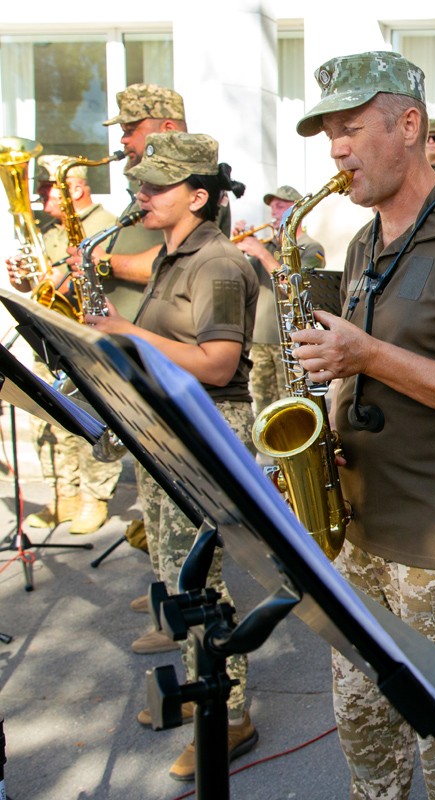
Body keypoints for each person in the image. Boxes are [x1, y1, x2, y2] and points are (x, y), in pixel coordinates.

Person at [289, 51, 435, 800]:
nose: (336, 151)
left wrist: (367, 354)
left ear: (410, 125)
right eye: (329, 135)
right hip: (358, 538)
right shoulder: (363, 242)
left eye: (351, 129)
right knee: (368, 750)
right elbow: (373, 366)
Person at [84, 131, 260, 781]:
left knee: (202, 585)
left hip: (206, 428)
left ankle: (233, 714)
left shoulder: (217, 264)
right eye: (143, 184)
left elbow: (217, 363)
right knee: (171, 573)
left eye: (157, 186)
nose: (142, 194)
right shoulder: (171, 254)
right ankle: (199, 696)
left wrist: (129, 334)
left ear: (200, 196)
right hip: (168, 428)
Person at [11, 157, 123, 534]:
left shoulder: (105, 223)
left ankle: (95, 498)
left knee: (90, 419)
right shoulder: (50, 228)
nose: (41, 198)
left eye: (46, 190)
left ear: (74, 188)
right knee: (49, 420)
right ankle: (65, 495)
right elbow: (44, 286)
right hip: (48, 334)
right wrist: (26, 281)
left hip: (84, 337)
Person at [98, 83, 190, 318]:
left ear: (167, 128)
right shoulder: (144, 186)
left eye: (130, 130)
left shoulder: (197, 184)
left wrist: (104, 263)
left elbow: (178, 262)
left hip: (154, 347)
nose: (123, 140)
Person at [233, 185, 326, 413]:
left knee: (294, 408)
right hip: (260, 341)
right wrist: (238, 248)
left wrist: (261, 253)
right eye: (272, 207)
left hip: (291, 343)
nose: (274, 212)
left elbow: (296, 290)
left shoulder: (312, 248)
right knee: (267, 410)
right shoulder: (267, 247)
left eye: (281, 206)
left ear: (298, 211)